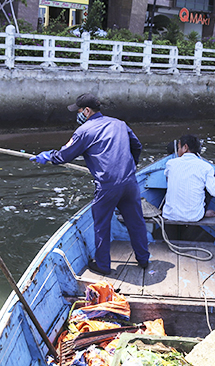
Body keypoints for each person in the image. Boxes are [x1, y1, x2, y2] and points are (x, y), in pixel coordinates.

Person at [30, 93, 150, 275]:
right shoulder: (120, 124)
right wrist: (129, 165)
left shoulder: (84, 131)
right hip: (130, 181)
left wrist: (47, 156)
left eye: (79, 111)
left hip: (108, 185)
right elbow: (137, 146)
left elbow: (64, 156)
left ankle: (103, 265)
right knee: (136, 222)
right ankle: (143, 259)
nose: (78, 115)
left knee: (101, 225)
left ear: (87, 110)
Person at [162, 134, 215, 223]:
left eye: (179, 148)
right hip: (194, 216)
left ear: (185, 147)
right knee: (211, 179)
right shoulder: (206, 167)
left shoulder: (170, 164)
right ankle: (202, 212)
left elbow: (169, 180)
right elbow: (213, 191)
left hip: (169, 214)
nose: (178, 150)